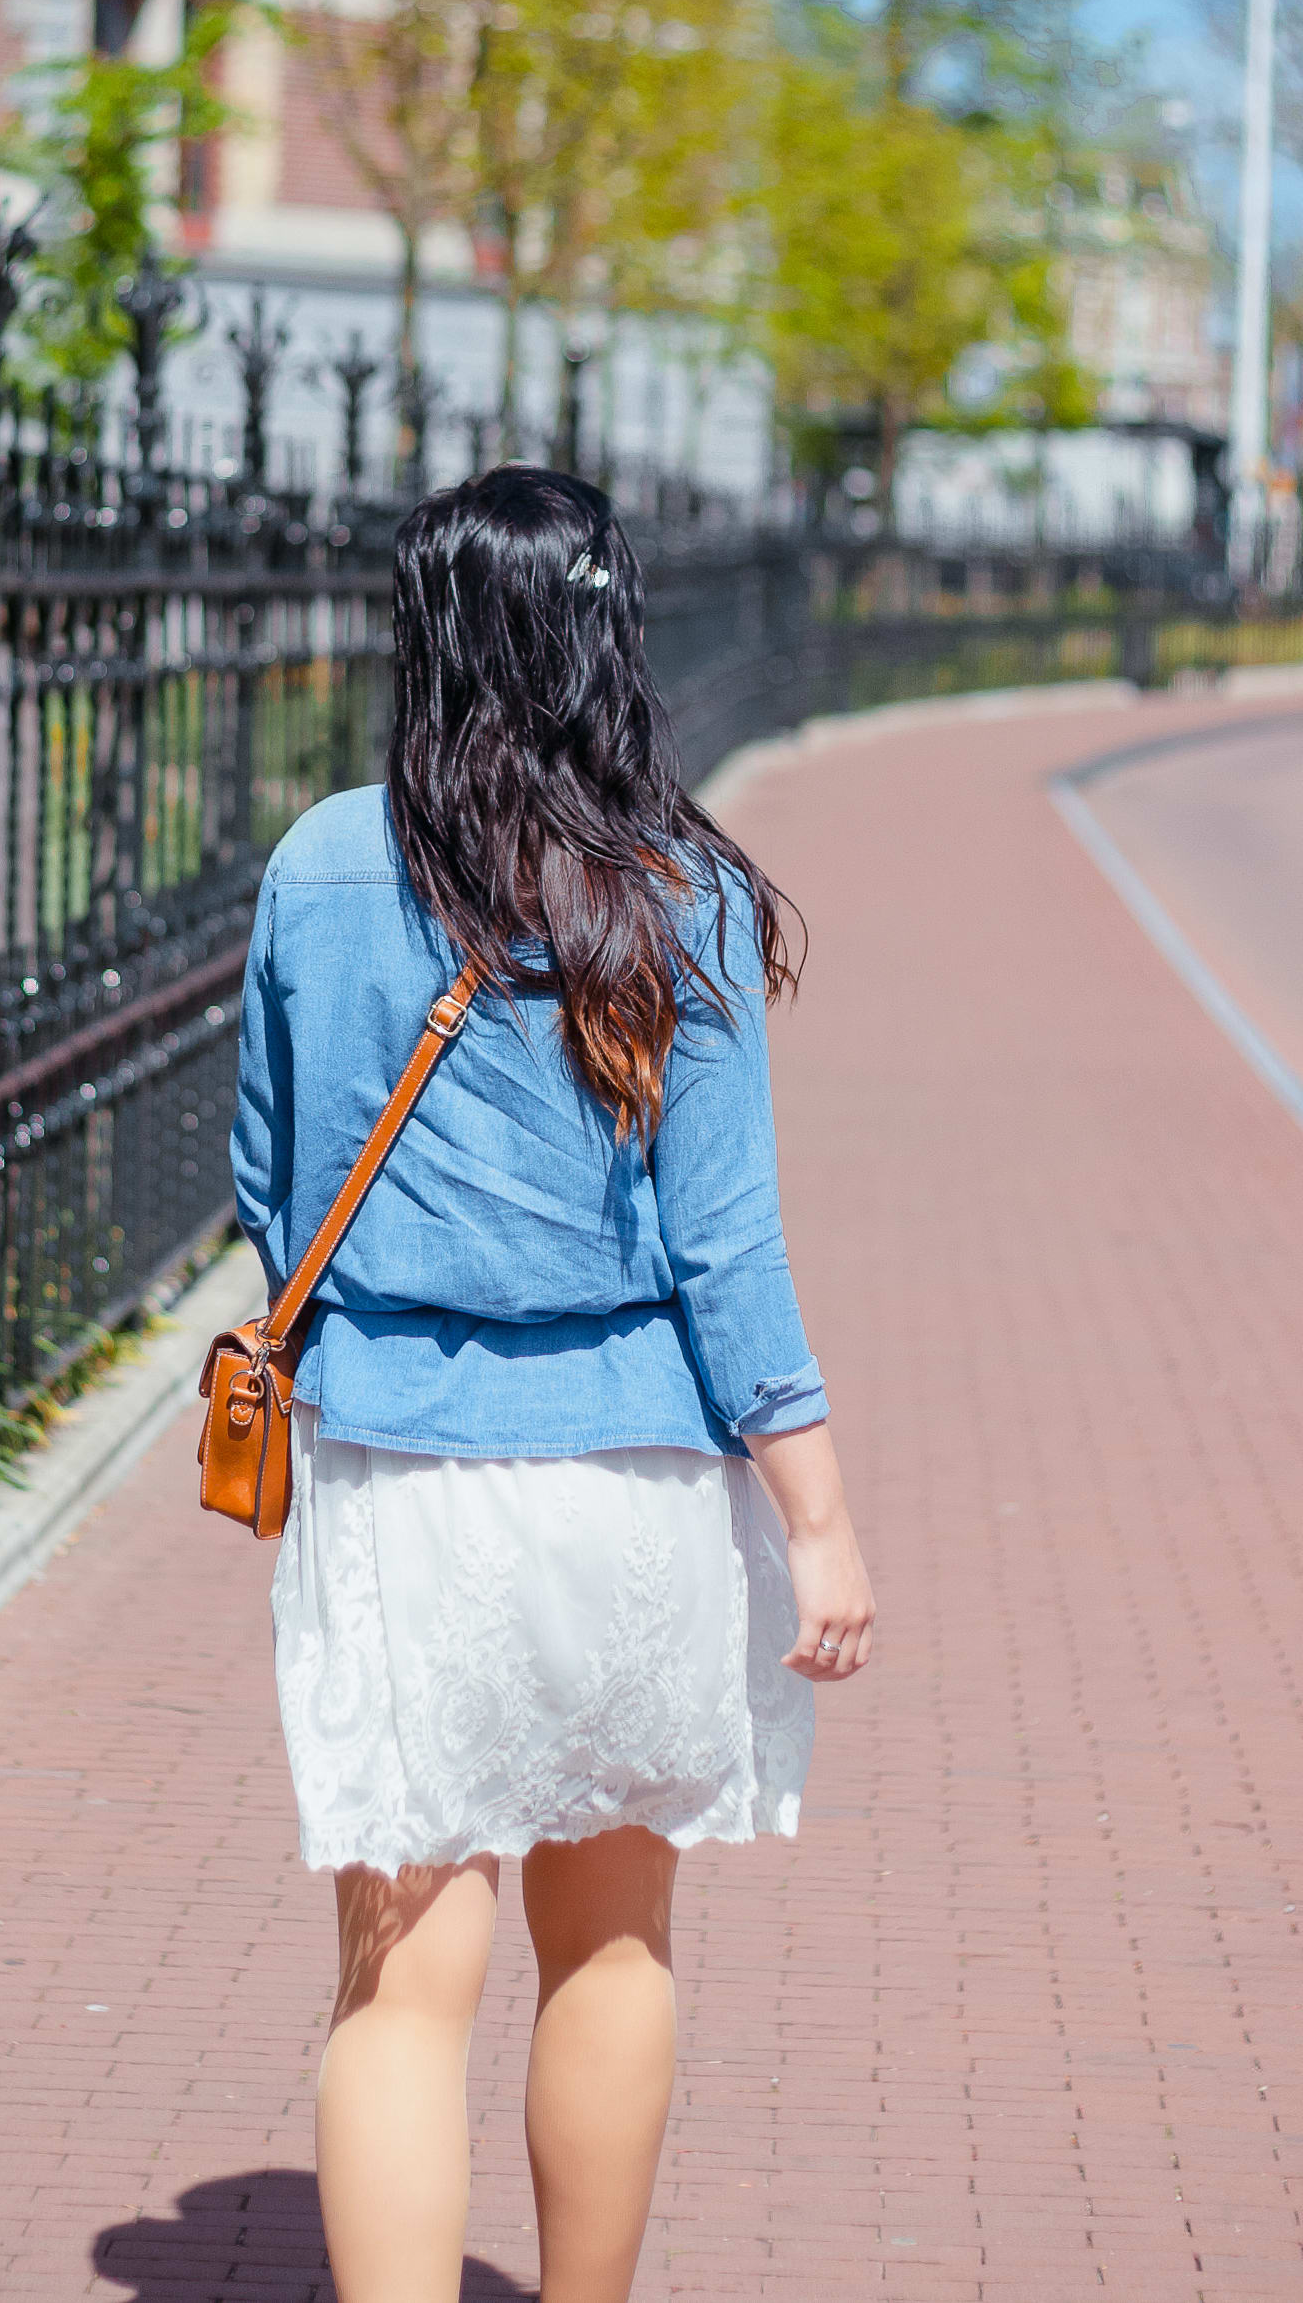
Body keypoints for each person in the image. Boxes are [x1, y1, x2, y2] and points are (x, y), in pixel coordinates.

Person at [232, 466, 871, 2303]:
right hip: (639, 1490)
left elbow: (276, 1188)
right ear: (613, 636)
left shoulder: (324, 868)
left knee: (399, 1989)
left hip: (409, 1480)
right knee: (615, 1949)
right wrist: (817, 1523)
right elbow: (726, 1253)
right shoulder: (681, 896)